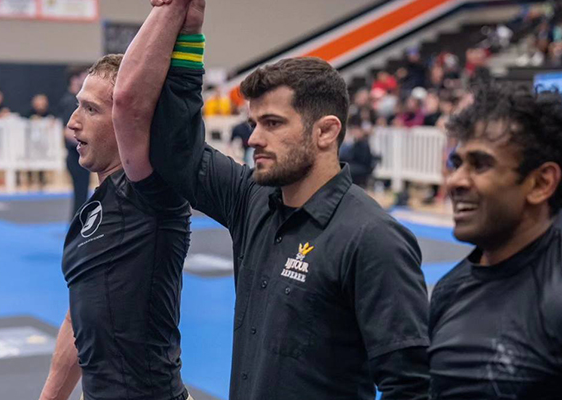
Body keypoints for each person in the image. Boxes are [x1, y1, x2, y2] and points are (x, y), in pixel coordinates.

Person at [145, 1, 430, 399]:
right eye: (254, 123)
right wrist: (188, 34)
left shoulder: (373, 239)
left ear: (326, 132)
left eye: (273, 123)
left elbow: (412, 388)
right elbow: (178, 151)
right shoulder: (252, 200)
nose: (254, 138)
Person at [38, 2, 194, 399]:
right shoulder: (93, 208)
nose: (73, 123)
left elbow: (129, 101)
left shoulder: (153, 193)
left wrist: (171, 9)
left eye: (91, 109)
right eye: (78, 105)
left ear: (128, 121)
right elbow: (79, 319)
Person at [429, 84, 562, 399]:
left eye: (480, 164)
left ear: (541, 183)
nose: (455, 181)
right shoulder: (449, 291)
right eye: (457, 164)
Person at [59, 69, 91, 216]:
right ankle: (77, 225)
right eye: (84, 76)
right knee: (80, 197)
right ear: (75, 79)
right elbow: (67, 133)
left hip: (78, 155)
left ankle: (78, 223)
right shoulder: (70, 101)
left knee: (82, 196)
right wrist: (89, 142)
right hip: (75, 156)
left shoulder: (75, 100)